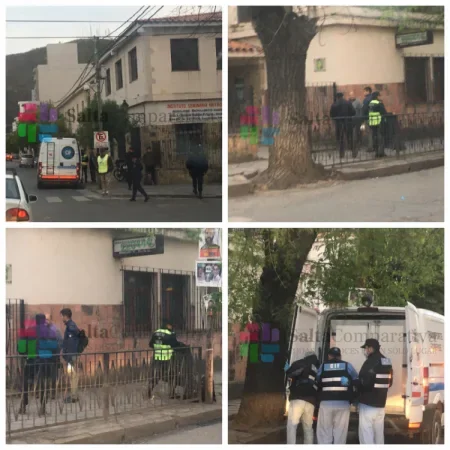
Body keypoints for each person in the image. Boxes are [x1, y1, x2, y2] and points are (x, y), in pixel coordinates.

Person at [18, 314, 59, 415]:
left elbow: (20, 347)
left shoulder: (29, 330)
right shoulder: (51, 331)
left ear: (35, 321)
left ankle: (23, 405)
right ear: (44, 321)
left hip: (31, 360)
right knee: (43, 384)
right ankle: (42, 407)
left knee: (26, 382)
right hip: (45, 361)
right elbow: (55, 347)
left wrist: (25, 355)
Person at [316, 347, 359, 444]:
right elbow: (356, 380)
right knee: (340, 433)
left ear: (329, 356)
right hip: (343, 403)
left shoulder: (323, 366)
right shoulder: (347, 365)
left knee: (325, 432)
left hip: (325, 403)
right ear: (340, 356)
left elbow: (317, 380)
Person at [358, 339, 393, 445]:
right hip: (381, 404)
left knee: (366, 435)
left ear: (371, 348)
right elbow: (389, 382)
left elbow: (363, 382)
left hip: (368, 404)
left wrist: (356, 385)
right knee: (378, 435)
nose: (365, 351)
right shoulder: (387, 361)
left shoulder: (370, 362)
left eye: (366, 348)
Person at [285, 351, 319, 444]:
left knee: (292, 425)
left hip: (298, 398)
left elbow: (290, 373)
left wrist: (288, 370)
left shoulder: (301, 362)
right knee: (308, 427)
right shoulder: (317, 368)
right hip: (311, 401)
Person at [148, 320, 180, 398]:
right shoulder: (170, 334)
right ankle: (172, 393)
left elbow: (151, 344)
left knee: (156, 375)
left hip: (157, 358)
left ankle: (150, 388)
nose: (172, 327)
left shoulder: (156, 332)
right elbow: (175, 345)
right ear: (168, 325)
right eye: (171, 326)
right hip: (167, 358)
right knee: (172, 374)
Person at [60, 308, 80, 403]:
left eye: (62, 316)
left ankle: (73, 396)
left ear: (65, 316)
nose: (61, 318)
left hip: (70, 355)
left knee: (72, 375)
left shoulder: (70, 327)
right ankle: (74, 395)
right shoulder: (71, 326)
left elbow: (70, 343)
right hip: (71, 355)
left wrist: (67, 357)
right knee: (73, 375)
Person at [330, 92, 356, 158]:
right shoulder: (348, 103)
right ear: (343, 96)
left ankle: (341, 154)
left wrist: (336, 119)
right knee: (350, 137)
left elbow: (332, 115)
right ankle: (353, 151)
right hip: (348, 122)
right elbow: (353, 112)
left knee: (340, 138)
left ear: (336, 97)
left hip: (339, 123)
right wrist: (348, 116)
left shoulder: (334, 104)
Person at [45, 313, 63, 399]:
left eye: (47, 319)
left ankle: (53, 393)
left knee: (53, 375)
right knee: (46, 375)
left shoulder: (55, 330)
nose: (45, 321)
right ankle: (46, 392)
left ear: (51, 320)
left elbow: (60, 343)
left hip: (53, 356)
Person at [368, 91, 387, 158]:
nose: (380, 97)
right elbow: (384, 113)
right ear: (377, 96)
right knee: (380, 138)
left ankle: (376, 153)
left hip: (372, 123)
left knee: (374, 138)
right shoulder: (379, 103)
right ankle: (381, 153)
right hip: (379, 122)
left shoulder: (370, 103)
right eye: (379, 95)